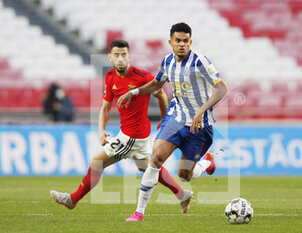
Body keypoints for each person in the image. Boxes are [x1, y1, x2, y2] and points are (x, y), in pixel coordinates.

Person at [50, 39, 193, 213]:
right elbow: (105, 107)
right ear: (110, 57)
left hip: (134, 135)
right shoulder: (110, 77)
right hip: (130, 132)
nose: (120, 59)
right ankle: (182, 194)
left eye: (123, 55)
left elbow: (162, 95)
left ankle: (72, 199)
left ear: (129, 56)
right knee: (147, 167)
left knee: (97, 163)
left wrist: (164, 120)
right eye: (116, 55)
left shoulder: (142, 77)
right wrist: (101, 131)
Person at [117, 23, 228, 221]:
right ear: (171, 42)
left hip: (199, 126)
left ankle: (206, 162)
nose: (182, 44)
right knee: (156, 158)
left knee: (185, 175)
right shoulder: (168, 61)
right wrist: (133, 92)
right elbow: (157, 84)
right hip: (176, 117)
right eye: (178, 41)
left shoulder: (200, 62)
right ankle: (139, 212)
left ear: (190, 42)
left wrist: (201, 111)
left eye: (186, 41)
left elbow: (222, 89)